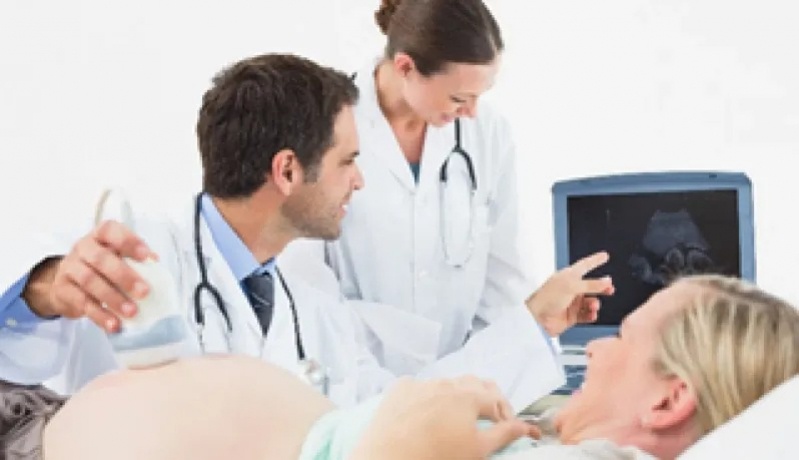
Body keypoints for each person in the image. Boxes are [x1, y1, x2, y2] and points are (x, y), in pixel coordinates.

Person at [0, 52, 611, 409]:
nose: (359, 182)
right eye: (348, 161)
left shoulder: (310, 312)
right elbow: (32, 316)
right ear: (288, 170)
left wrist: (533, 323)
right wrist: (47, 290)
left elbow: (402, 410)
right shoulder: (139, 257)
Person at [17, 274, 799, 459]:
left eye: (622, 337)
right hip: (46, 415)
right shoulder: (554, 441)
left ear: (668, 401)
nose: (595, 347)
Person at [280, 0, 556, 380]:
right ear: (406, 67)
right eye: (458, 98)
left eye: (480, 95)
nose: (471, 112)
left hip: (463, 383)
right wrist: (375, 379)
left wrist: (485, 374)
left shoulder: (487, 133)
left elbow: (503, 279)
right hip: (352, 377)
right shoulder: (327, 126)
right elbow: (306, 282)